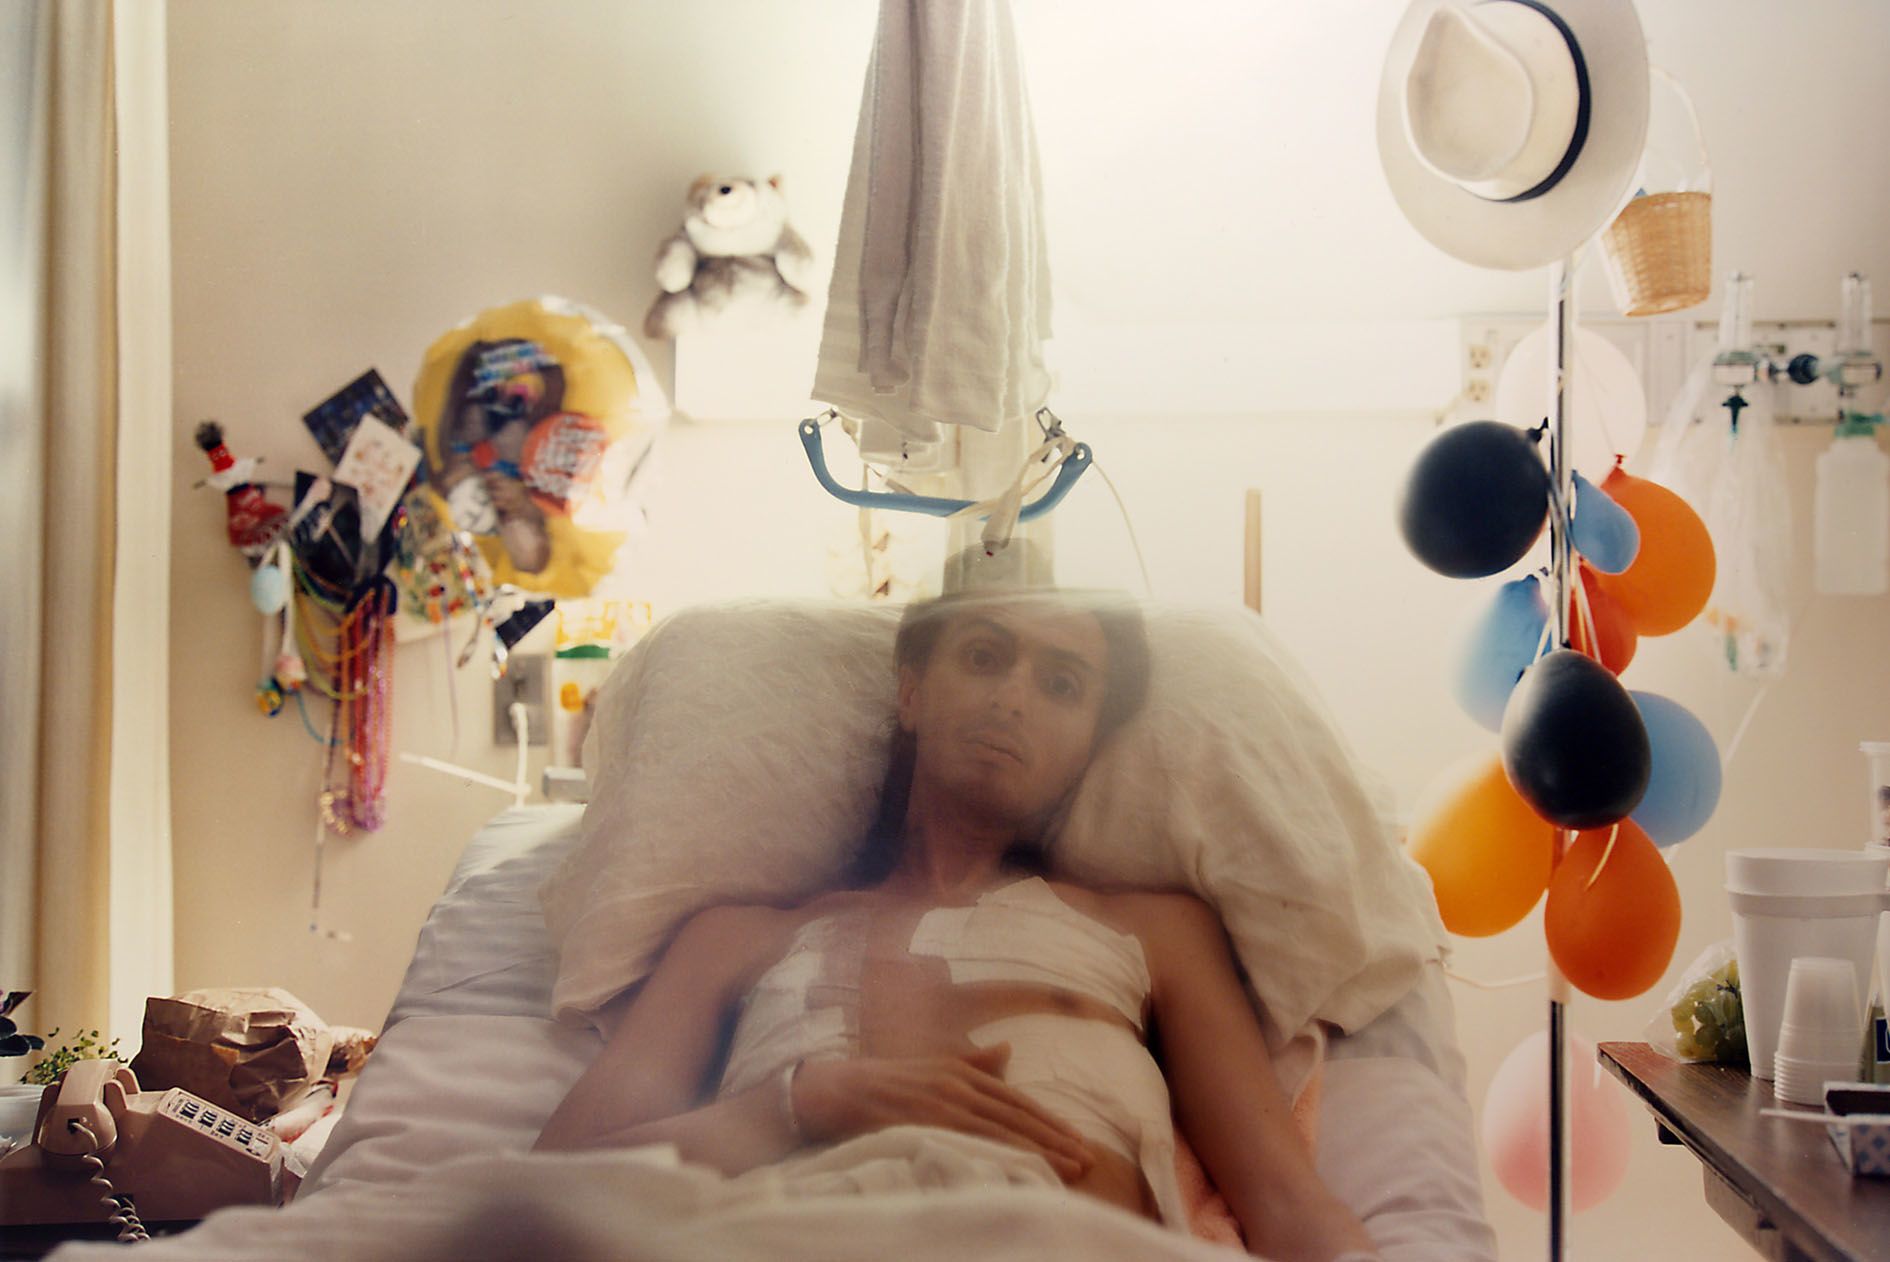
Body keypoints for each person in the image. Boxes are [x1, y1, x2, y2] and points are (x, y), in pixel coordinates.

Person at [536, 588, 1379, 1261]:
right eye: (983, 657)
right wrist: (797, 1104)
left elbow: (1285, 1201)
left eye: (1061, 684)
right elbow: (552, 1190)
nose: (1012, 699)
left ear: (1089, 744)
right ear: (911, 690)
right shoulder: (736, 939)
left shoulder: (1155, 933)